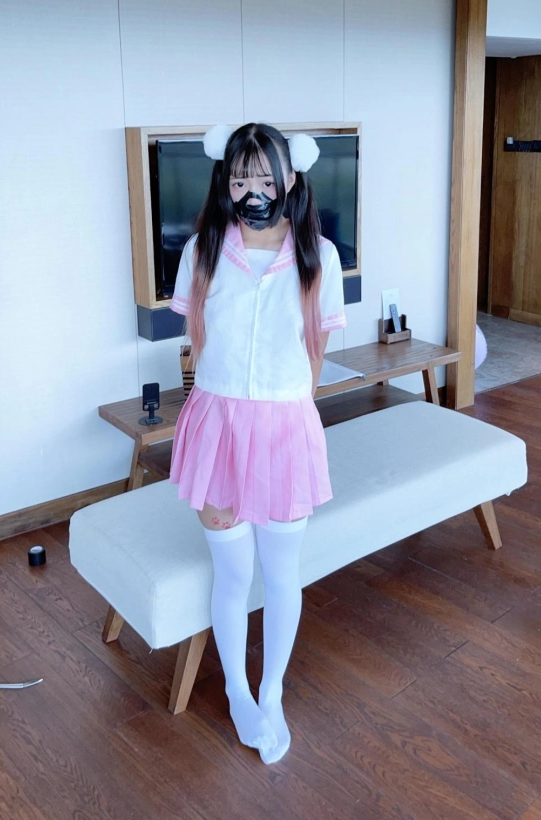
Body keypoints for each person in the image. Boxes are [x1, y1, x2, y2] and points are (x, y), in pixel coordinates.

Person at [169, 122, 346, 764]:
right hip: (217, 428)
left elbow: (316, 350)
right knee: (234, 572)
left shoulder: (319, 255)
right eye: (241, 178)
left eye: (265, 178)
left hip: (284, 430)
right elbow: (196, 340)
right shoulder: (203, 251)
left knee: (280, 573)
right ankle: (238, 691)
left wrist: (290, 410)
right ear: (226, 180)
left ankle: (272, 692)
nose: (253, 191)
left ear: (291, 178)